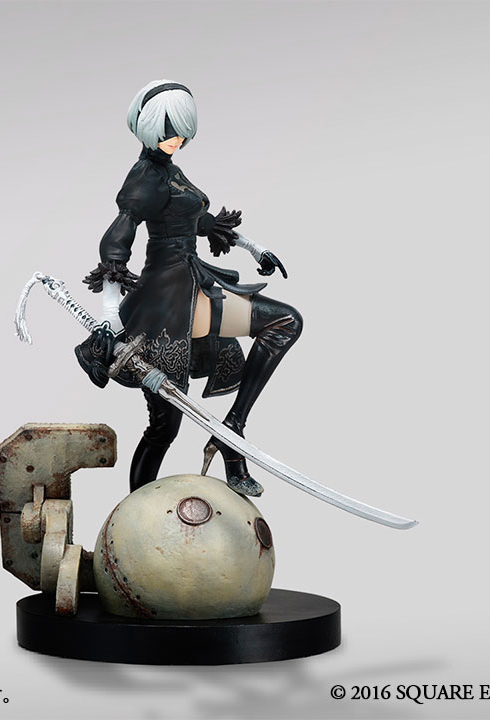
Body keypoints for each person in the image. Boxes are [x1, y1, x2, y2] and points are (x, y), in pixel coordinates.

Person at [76, 80, 304, 498]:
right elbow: (117, 242)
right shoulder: (145, 178)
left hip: (197, 283)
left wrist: (255, 248)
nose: (176, 140)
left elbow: (201, 223)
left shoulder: (170, 171)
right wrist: (109, 315)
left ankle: (232, 430)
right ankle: (134, 508)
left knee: (285, 322)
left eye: (181, 133)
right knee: (164, 427)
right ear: (148, 127)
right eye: (169, 132)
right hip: (165, 300)